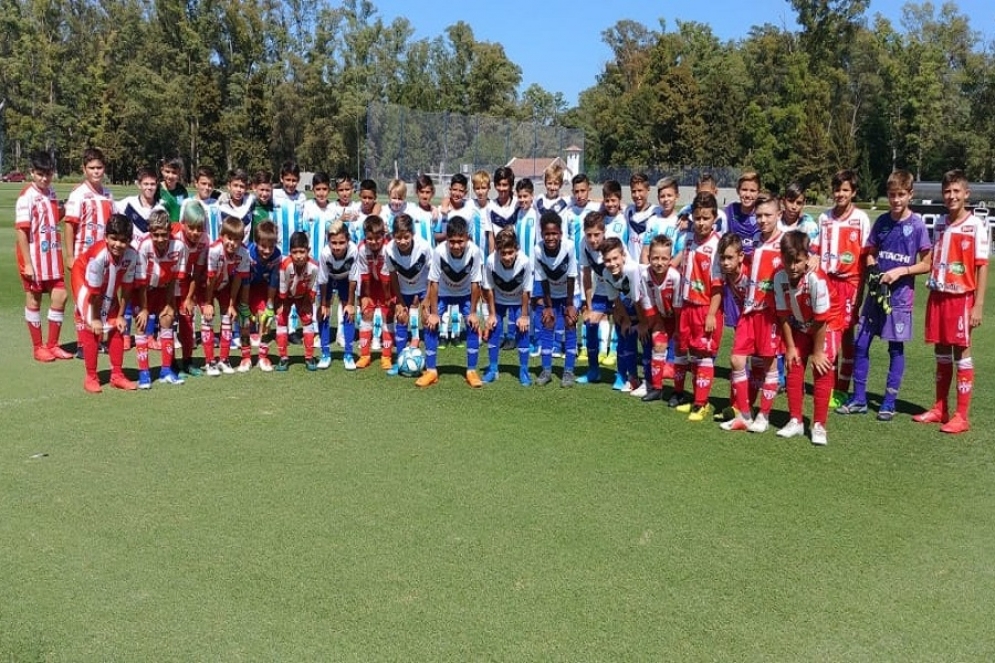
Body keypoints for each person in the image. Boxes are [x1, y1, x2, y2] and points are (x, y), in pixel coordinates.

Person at [836, 170, 931, 420]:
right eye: (892, 195)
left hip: (899, 300)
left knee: (895, 349)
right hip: (876, 295)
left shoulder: (917, 225)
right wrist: (873, 268)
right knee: (860, 344)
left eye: (901, 195)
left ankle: (888, 402)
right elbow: (869, 252)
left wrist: (901, 271)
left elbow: (927, 263)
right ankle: (859, 399)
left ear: (910, 194)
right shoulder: (882, 222)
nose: (896, 200)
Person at [913, 169, 989, 434]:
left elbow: (982, 266)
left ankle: (961, 415)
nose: (951, 196)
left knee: (961, 352)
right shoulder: (942, 224)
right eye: (947, 191)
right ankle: (940, 408)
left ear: (966, 194)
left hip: (961, 298)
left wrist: (978, 305)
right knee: (941, 351)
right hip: (939, 294)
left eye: (957, 191)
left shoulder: (976, 225)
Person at [720, 192, 784, 433]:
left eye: (768, 215)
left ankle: (764, 416)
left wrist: (814, 260)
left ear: (778, 214)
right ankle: (745, 414)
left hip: (769, 315)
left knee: (769, 365)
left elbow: (804, 260)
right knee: (736, 359)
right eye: (759, 215)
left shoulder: (784, 243)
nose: (763, 220)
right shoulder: (755, 241)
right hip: (749, 312)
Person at [773, 231, 841, 445]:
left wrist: (818, 352)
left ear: (806, 258)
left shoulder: (815, 278)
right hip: (801, 323)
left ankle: (819, 425)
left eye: (798, 261)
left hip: (828, 324)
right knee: (793, 363)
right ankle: (796, 420)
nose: (793, 267)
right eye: (788, 261)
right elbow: (783, 315)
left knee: (822, 366)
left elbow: (822, 318)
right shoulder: (778, 277)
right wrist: (791, 347)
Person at [812, 169, 871, 408]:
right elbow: (816, 249)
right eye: (837, 189)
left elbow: (866, 255)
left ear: (853, 192)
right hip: (828, 282)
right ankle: (830, 384)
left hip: (850, 283)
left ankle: (841, 388)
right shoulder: (824, 218)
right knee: (830, 333)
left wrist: (861, 290)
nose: (840, 194)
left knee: (847, 335)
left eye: (845, 190)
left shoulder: (861, 219)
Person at [71, 214, 140, 393]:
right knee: (93, 327)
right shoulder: (98, 256)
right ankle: (91, 376)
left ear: (129, 240)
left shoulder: (132, 255)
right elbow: (94, 293)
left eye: (123, 241)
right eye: (113, 239)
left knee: (116, 325)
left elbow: (126, 288)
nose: (118, 244)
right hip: (83, 279)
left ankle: (117, 375)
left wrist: (120, 316)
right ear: (106, 237)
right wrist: (94, 318)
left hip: (109, 280)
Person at [16, 151, 73, 362]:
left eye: (47, 174)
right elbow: (22, 231)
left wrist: (66, 208)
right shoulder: (26, 197)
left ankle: (53, 344)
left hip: (52, 256)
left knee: (61, 295)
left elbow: (51, 218)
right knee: (34, 299)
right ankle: (38, 347)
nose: (44, 178)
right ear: (32, 172)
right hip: (34, 257)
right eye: (40, 174)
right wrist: (28, 263)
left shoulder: (51, 192)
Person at [672, 192, 724, 421]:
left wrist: (712, 314)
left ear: (714, 218)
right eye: (697, 218)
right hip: (686, 305)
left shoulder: (716, 245)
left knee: (704, 355)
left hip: (705, 308)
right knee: (690, 352)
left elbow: (718, 286)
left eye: (706, 218)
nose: (701, 223)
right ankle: (693, 398)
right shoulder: (689, 239)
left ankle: (702, 404)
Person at [417, 216, 485, 388]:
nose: (456, 246)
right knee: (431, 325)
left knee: (472, 325)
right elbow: (433, 282)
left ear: (467, 238)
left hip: (465, 294)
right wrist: (433, 313)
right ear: (446, 239)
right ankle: (431, 371)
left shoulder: (475, 252)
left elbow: (476, 282)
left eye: (460, 241)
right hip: (443, 293)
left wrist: (473, 312)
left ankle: (471, 370)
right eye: (452, 241)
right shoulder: (439, 251)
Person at [131, 209, 187, 388]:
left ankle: (166, 370)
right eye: (156, 235)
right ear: (150, 232)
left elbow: (172, 279)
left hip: (163, 290)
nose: (160, 239)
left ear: (170, 230)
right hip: (143, 291)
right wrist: (145, 309)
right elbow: (140, 282)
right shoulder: (144, 247)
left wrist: (170, 303)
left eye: (164, 234)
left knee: (167, 320)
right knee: (141, 327)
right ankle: (144, 374)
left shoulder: (178, 246)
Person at [532, 210, 579, 387]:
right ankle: (546, 371)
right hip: (550, 294)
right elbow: (543, 279)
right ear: (542, 234)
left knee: (569, 321)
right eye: (547, 234)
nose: (550, 237)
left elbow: (572, 276)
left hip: (569, 292)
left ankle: (568, 371)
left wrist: (569, 305)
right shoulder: (537, 250)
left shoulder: (569, 247)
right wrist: (548, 306)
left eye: (554, 233)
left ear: (560, 233)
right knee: (548, 321)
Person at [481, 226, 533, 385]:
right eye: (503, 253)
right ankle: (493, 368)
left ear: (516, 249)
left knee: (523, 330)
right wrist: (491, 314)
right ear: (497, 251)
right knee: (493, 329)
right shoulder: (490, 261)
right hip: (498, 300)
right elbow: (488, 288)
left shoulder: (525, 262)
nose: (507, 257)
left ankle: (524, 370)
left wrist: (524, 316)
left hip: (519, 301)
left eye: (510, 252)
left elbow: (526, 291)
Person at [599, 236, 651, 393]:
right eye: (608, 260)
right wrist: (627, 321)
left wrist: (642, 323)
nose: (612, 263)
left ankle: (649, 382)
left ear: (623, 256)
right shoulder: (606, 273)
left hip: (649, 304)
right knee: (627, 334)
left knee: (647, 341)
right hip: (633, 304)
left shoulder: (631, 270)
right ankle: (633, 379)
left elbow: (638, 299)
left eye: (615, 258)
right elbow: (615, 299)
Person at [201, 216, 251, 376]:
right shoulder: (215, 250)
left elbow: (237, 280)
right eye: (229, 238)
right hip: (207, 286)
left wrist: (231, 303)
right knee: (207, 317)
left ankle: (224, 359)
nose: (232, 243)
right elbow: (210, 278)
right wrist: (208, 302)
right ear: (222, 236)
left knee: (228, 316)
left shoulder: (243, 252)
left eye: (237, 240)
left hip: (224, 286)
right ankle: (209, 361)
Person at [384, 213, 432, 370]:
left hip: (424, 288)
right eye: (398, 237)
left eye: (406, 237)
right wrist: (399, 301)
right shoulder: (389, 250)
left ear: (412, 234)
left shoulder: (424, 247)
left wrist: (428, 298)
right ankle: (400, 360)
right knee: (402, 318)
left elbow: (433, 274)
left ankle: (430, 365)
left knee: (427, 320)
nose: (402, 241)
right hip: (404, 290)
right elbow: (393, 277)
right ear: (393, 236)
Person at [349, 214, 395, 371]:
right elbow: (364, 275)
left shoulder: (388, 248)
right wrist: (366, 296)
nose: (374, 242)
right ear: (365, 237)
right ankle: (364, 355)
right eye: (370, 238)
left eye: (377, 238)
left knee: (386, 316)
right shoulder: (361, 249)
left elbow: (386, 278)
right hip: (370, 286)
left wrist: (388, 298)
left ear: (383, 236)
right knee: (366, 313)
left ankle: (387, 356)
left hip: (387, 286)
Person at [640, 235, 681, 401]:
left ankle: (678, 392)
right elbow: (647, 301)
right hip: (659, 318)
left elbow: (679, 306)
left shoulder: (675, 277)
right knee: (658, 345)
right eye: (655, 258)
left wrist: (679, 329)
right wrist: (656, 323)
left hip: (677, 318)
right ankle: (657, 388)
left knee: (680, 353)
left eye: (664, 258)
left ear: (670, 259)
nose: (659, 262)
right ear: (649, 258)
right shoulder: (644, 275)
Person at [272, 231, 321, 371]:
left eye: (302, 251)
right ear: (290, 252)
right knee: (281, 321)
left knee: (308, 320)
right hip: (285, 296)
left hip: (303, 296)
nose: (298, 256)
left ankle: (309, 357)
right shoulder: (285, 264)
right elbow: (282, 285)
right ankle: (283, 358)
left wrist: (308, 301)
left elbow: (313, 286)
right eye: (295, 252)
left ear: (308, 251)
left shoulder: (314, 266)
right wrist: (281, 302)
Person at [173, 200, 211, 377]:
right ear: (183, 225)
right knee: (169, 321)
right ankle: (170, 363)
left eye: (200, 228)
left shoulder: (204, 240)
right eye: (191, 228)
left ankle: (187, 361)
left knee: (187, 320)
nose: (196, 233)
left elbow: (197, 272)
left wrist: (189, 297)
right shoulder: (173, 236)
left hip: (187, 282)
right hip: (168, 282)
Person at [316, 220, 358, 370]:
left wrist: (351, 304)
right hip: (330, 280)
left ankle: (348, 354)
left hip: (346, 280)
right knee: (323, 313)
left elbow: (353, 279)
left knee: (349, 313)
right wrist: (324, 304)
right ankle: (325, 353)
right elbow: (322, 280)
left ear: (348, 240)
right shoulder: (325, 253)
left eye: (341, 242)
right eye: (333, 243)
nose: (337, 247)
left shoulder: (353, 250)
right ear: (328, 241)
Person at [577, 211, 611, 384]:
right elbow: (586, 276)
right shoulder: (583, 244)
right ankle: (593, 371)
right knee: (590, 323)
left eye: (597, 235)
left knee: (625, 330)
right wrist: (588, 307)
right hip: (603, 290)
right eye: (589, 235)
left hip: (621, 291)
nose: (593, 239)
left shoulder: (613, 242)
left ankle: (626, 376)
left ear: (604, 232)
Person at [245, 220, 282, 372]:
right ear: (256, 242)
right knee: (244, 320)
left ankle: (263, 356)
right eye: (263, 246)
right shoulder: (248, 252)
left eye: (271, 247)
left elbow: (274, 281)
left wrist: (270, 303)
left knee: (266, 317)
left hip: (264, 287)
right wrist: (244, 303)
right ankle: (245, 357)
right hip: (246, 287)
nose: (267, 251)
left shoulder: (276, 256)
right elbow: (243, 278)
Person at [640, 176, 682, 264]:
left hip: (671, 272)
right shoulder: (653, 220)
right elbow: (645, 250)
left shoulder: (681, 221)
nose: (666, 199)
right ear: (658, 198)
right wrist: (646, 272)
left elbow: (681, 253)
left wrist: (668, 272)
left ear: (677, 196)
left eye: (669, 195)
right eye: (662, 196)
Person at [117, 166, 159, 248]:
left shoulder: (160, 209)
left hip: (149, 256)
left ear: (157, 185)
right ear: (139, 185)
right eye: (146, 184)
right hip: (129, 255)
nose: (149, 187)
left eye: (152, 184)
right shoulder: (127, 203)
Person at [181, 166, 221, 242]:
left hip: (212, 250)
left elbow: (219, 227)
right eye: (204, 183)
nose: (207, 187)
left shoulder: (216, 204)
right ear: (196, 183)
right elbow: (182, 226)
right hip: (194, 250)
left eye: (210, 185)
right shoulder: (187, 203)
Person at [217, 168, 255, 244]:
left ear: (246, 188)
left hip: (245, 250)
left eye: (242, 186)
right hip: (228, 249)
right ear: (229, 186)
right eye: (235, 185)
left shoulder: (250, 201)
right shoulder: (221, 207)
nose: (238, 189)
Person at [485, 166, 517, 250]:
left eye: (505, 185)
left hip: (515, 255)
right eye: (498, 185)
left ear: (511, 185)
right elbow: (491, 235)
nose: (501, 188)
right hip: (498, 256)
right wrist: (491, 259)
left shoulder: (518, 204)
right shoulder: (490, 207)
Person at [625, 173, 655, 261]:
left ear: (648, 189)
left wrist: (683, 216)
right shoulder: (628, 210)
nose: (637, 195)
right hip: (631, 267)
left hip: (648, 267)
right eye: (633, 191)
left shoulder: (655, 211)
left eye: (640, 190)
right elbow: (612, 202)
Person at [154, 157, 188, 222]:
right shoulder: (156, 190)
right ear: (162, 171)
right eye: (167, 172)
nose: (170, 176)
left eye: (174, 172)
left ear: (179, 173)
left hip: (178, 230)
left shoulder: (182, 191)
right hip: (162, 230)